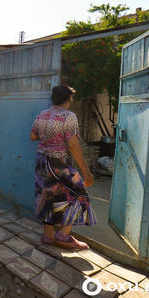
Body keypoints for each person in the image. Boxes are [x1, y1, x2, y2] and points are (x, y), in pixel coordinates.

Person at [30, 85, 96, 250]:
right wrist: (86, 172)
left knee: (47, 196)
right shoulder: (69, 116)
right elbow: (73, 145)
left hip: (41, 161)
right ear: (68, 98)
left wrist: (46, 134)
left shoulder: (42, 114)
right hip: (58, 163)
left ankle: (48, 235)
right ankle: (63, 235)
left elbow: (33, 136)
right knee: (80, 196)